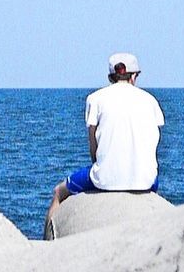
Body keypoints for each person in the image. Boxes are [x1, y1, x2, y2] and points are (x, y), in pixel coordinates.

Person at [44, 52, 165, 237]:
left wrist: (98, 164)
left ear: (110, 77)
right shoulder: (151, 101)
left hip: (106, 179)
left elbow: (93, 144)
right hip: (147, 181)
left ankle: (46, 248)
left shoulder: (95, 99)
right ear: (134, 76)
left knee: (57, 193)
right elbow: (153, 141)